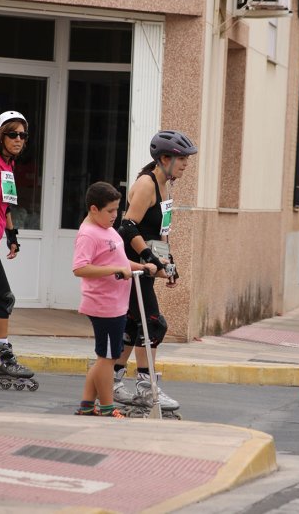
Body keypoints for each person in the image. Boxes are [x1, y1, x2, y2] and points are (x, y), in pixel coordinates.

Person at [113, 130, 198, 412]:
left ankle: (113, 380)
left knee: (133, 325)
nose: (186, 164)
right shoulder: (147, 184)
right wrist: (151, 259)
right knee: (153, 324)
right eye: (181, 158)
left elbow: (161, 230)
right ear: (164, 158)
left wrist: (169, 264)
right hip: (132, 267)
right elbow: (127, 226)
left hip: (146, 266)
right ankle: (146, 387)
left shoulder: (166, 185)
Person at [72, 181, 157, 417]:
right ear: (93, 209)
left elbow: (118, 261)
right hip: (103, 304)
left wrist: (141, 266)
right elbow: (80, 268)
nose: (115, 215)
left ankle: (88, 405)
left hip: (116, 304)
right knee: (108, 358)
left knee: (104, 357)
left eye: (117, 210)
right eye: (110, 211)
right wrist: (113, 271)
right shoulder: (89, 234)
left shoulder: (108, 230)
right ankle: (108, 408)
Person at [0, 111, 34, 378]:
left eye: (23, 135)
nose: (19, 139)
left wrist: (12, 236)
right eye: (13, 134)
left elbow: (4, 204)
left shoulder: (9, 167)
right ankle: (1, 355)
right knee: (4, 297)